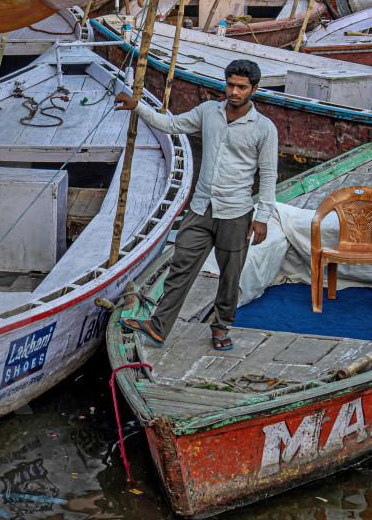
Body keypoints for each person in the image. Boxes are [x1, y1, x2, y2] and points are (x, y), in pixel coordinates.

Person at [113, 59, 278, 352]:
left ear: (254, 88)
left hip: (236, 213)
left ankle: (221, 326)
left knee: (230, 277)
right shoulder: (208, 112)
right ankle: (159, 326)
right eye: (230, 85)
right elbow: (171, 124)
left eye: (242, 87)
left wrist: (262, 216)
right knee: (180, 267)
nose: (235, 92)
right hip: (201, 208)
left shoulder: (264, 128)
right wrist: (137, 105)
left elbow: (268, 175)